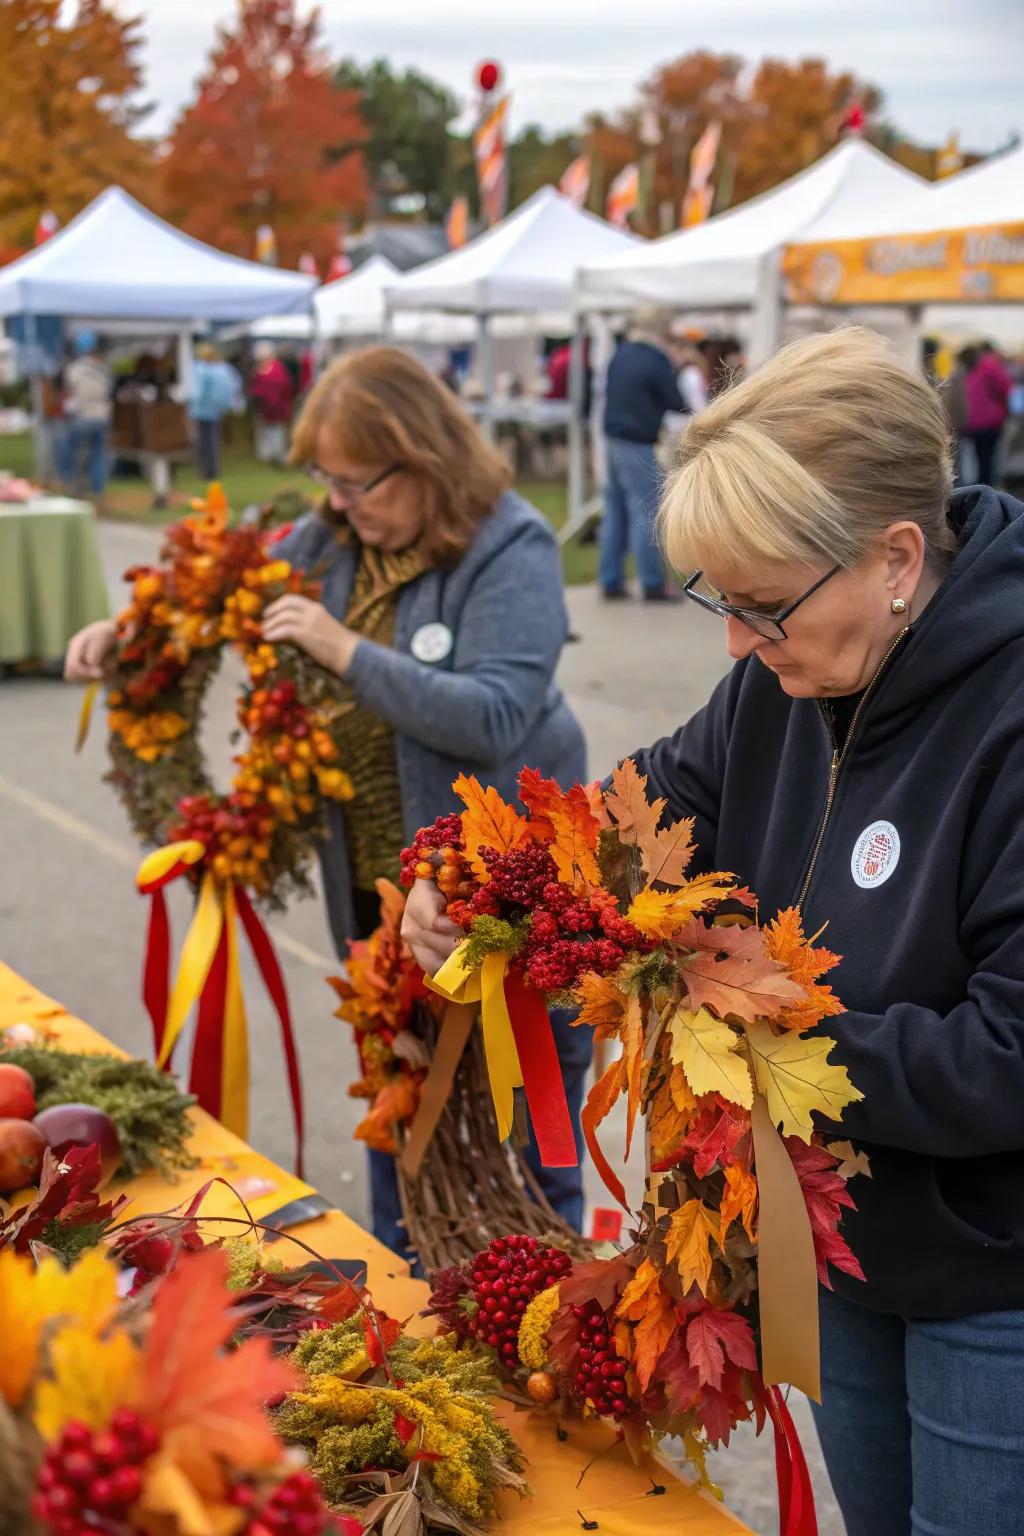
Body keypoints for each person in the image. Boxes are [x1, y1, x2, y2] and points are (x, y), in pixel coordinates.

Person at [404, 326, 1024, 1534]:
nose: (735, 643)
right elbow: (632, 816)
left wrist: (741, 1031)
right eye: (718, 601)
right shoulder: (787, 677)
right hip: (831, 1247)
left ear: (896, 559)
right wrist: (487, 882)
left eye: (759, 605)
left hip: (993, 1279)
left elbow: (1005, 1058)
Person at [64, 345, 590, 1257]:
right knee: (399, 1111)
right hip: (378, 903)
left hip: (504, 903)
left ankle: (548, 1308)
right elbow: (218, 588)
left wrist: (346, 650)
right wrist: (129, 633)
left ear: (423, 459)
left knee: (519, 1129)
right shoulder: (333, 536)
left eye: (357, 483)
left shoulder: (511, 544)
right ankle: (407, 1297)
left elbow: (496, 715)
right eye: (325, 480)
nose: (337, 502)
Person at [600, 309, 684, 601]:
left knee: (615, 511)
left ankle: (610, 579)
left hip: (611, 439)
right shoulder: (655, 359)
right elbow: (676, 400)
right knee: (646, 511)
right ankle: (652, 582)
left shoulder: (620, 355)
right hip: (638, 440)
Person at [60, 330, 113, 497]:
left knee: (75, 452)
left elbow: (69, 391)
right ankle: (98, 489)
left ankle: (75, 486)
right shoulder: (105, 369)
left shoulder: (74, 369)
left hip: (81, 415)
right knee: (98, 454)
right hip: (102, 415)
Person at [188, 343, 242, 481]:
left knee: (203, 441)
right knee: (212, 439)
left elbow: (197, 391)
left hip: (201, 409)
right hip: (217, 409)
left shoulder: (201, 369)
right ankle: (213, 469)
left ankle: (206, 471)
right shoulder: (224, 368)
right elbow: (237, 384)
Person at [963, 340, 1013, 487]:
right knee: (989, 459)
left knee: (978, 457)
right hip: (991, 422)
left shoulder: (972, 367)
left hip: (974, 421)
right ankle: (987, 490)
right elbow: (1005, 388)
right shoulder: (993, 366)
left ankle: (979, 487)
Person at [249, 342, 295, 465]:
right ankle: (267, 454)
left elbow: (285, 387)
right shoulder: (259, 371)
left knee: (276, 431)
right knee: (265, 430)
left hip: (276, 406)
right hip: (264, 407)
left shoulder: (277, 370)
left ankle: (277, 455)